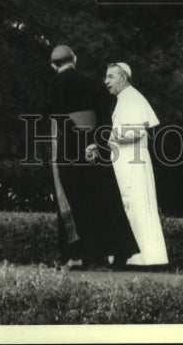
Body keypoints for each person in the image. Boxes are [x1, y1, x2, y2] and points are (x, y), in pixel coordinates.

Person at [45, 45, 138, 270]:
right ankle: (108, 254)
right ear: (74, 59)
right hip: (94, 148)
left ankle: (77, 255)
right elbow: (104, 116)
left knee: (74, 202)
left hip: (68, 150)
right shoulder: (91, 82)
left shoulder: (52, 86)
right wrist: (95, 142)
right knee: (102, 200)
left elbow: (51, 120)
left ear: (53, 65)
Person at [105, 62, 169, 268]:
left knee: (136, 206)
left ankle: (144, 258)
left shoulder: (131, 99)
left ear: (123, 78)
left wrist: (107, 136)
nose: (106, 82)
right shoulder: (125, 99)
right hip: (127, 160)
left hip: (133, 161)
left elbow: (137, 132)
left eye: (110, 77)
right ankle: (134, 257)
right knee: (129, 207)